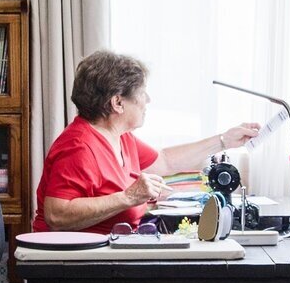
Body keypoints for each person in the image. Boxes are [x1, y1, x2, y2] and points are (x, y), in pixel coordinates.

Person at [33, 51, 262, 232]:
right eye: (142, 93)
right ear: (118, 103)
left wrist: (224, 140)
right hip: (74, 264)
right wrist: (129, 197)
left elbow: (165, 161)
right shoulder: (79, 147)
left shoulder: (121, 136)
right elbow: (57, 215)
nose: (148, 100)